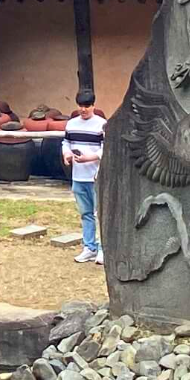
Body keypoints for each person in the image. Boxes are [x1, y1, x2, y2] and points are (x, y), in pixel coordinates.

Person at [62, 95, 108, 263]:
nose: (83, 109)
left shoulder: (101, 124)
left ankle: (103, 249)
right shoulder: (72, 123)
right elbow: (66, 143)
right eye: (81, 105)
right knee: (85, 213)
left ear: (93, 105)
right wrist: (66, 154)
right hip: (78, 176)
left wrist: (92, 157)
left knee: (100, 214)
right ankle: (89, 247)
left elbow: (107, 149)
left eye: (87, 105)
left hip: (96, 176)